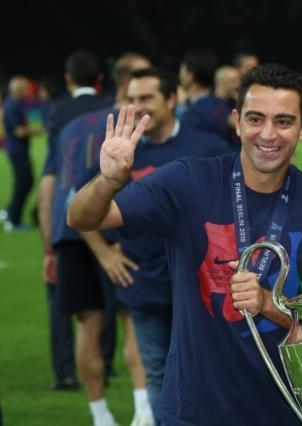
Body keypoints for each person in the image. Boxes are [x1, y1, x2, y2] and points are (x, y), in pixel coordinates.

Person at [67, 64, 302, 425]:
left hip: (284, 412)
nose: (268, 134)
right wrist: (108, 181)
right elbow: (82, 218)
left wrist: (267, 304)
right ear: (237, 121)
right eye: (256, 119)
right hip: (193, 411)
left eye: (284, 121)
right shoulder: (188, 181)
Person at [81, 67, 230, 422]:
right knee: (158, 375)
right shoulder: (119, 152)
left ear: (171, 99)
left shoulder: (207, 146)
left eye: (146, 98)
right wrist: (104, 252)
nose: (137, 106)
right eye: (131, 99)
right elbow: (83, 206)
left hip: (202, 287)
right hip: (145, 283)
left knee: (211, 371)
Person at [36, 50, 114, 394]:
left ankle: (67, 372)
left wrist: (48, 244)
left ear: (68, 79)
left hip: (68, 224)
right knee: (118, 303)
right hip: (109, 217)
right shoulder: (112, 108)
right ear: (100, 80)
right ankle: (107, 365)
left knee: (70, 307)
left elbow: (50, 179)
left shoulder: (59, 114)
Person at [2, 75, 41, 231]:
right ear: (17, 90)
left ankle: (10, 212)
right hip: (17, 151)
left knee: (24, 182)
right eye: (26, 88)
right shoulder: (12, 106)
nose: (29, 91)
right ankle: (13, 219)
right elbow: (18, 131)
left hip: (17, 151)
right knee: (24, 183)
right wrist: (35, 131)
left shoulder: (14, 104)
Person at [179, 48, 234, 148]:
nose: (180, 75)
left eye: (182, 71)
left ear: (190, 76)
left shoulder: (194, 113)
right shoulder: (222, 104)